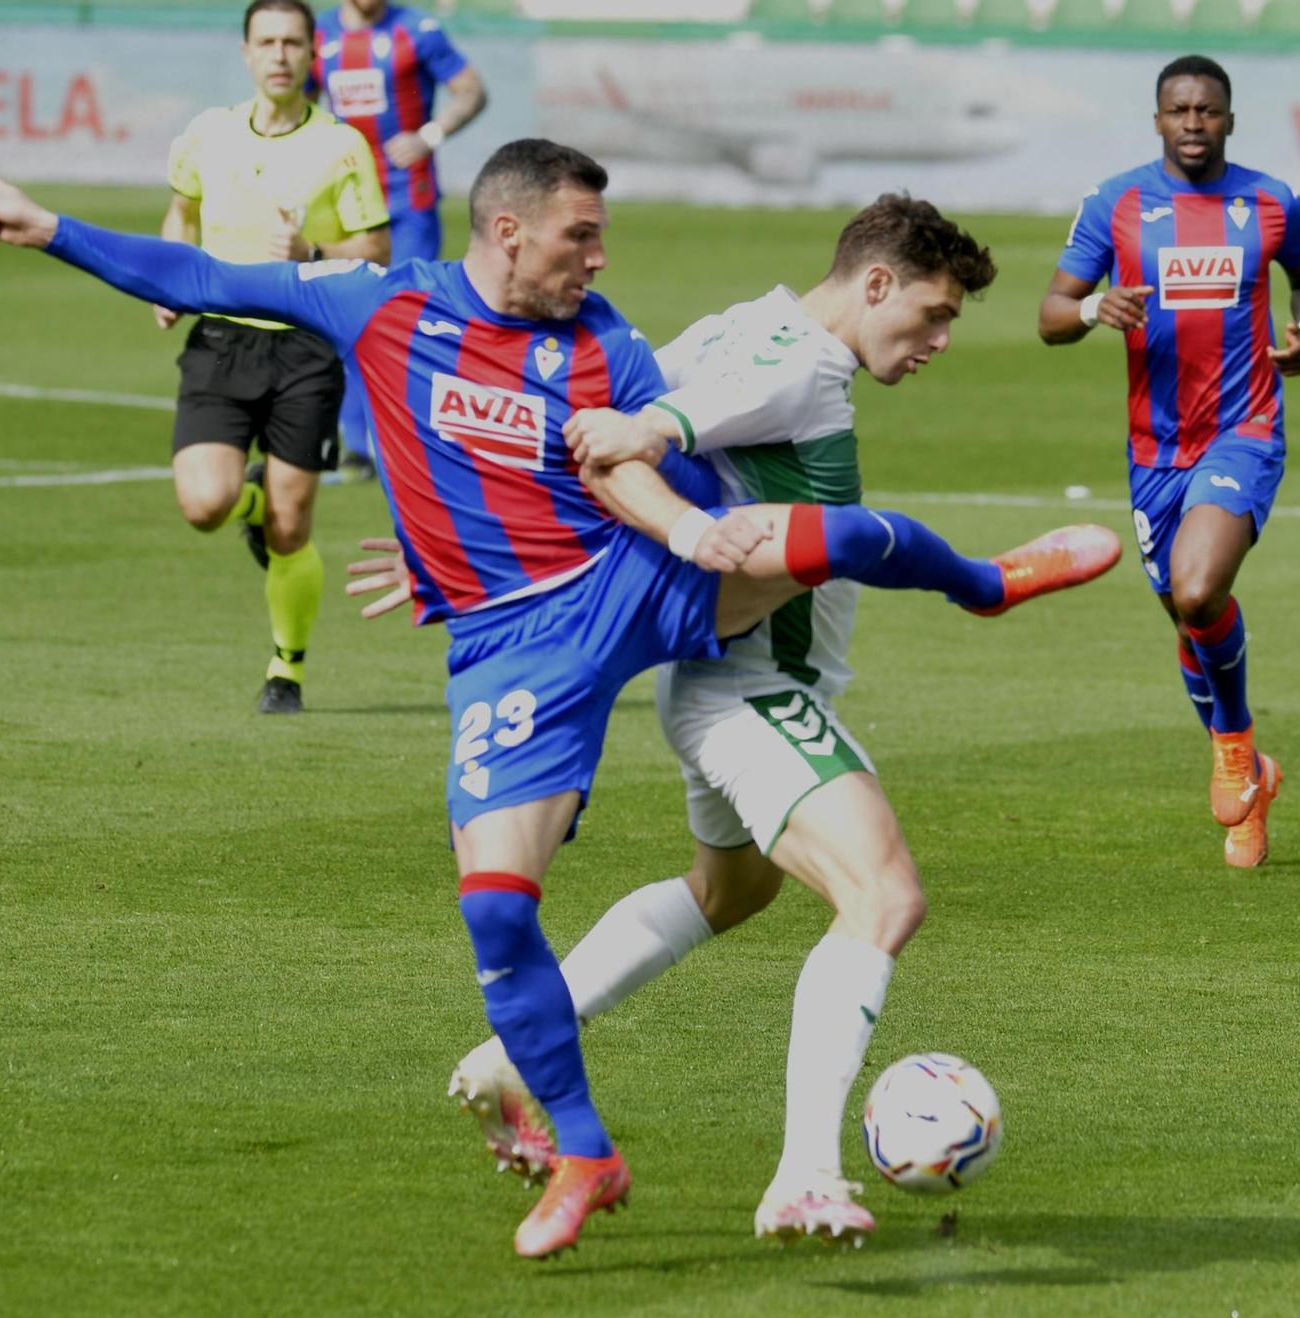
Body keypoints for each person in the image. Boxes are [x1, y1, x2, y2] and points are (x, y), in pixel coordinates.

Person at [0, 139, 1108, 1258]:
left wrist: (637, 508)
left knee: (734, 881)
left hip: (631, 586)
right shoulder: (397, 306)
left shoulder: (619, 336)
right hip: (562, 650)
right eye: (582, 235)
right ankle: (703, 1158)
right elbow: (211, 278)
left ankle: (542, 1058)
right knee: (536, 904)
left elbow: (630, 441)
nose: (601, 258)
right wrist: (48, 228)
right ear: (507, 230)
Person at [440, 195, 1117, 1247]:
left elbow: (612, 423)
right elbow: (644, 432)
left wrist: (481, 539)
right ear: (876, 282)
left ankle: (506, 1054)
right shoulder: (796, 364)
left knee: (731, 888)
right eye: (932, 315)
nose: (938, 342)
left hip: (712, 676)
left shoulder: (735, 323)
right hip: (751, 688)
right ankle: (802, 1173)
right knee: (882, 895)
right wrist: (662, 462)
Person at [1037, 53, 1300, 868]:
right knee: (1185, 613)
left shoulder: (1271, 202)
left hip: (1244, 428)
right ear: (1159, 119)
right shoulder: (1118, 203)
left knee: (1202, 586)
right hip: (1154, 450)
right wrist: (1094, 306)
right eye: (1180, 110)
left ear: (1230, 119)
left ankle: (1233, 746)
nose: (1195, 123)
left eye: (1209, 110)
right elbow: (1050, 313)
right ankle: (1254, 783)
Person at [154, 0, 391, 713]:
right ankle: (250, 504)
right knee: (204, 504)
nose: (280, 54)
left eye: (293, 42)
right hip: (221, 340)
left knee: (294, 528)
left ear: (312, 52)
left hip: (305, 344)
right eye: (267, 42)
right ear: (247, 53)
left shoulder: (343, 146)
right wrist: (169, 275)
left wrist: (311, 253)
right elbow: (181, 211)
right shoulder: (207, 135)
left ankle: (286, 669)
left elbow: (376, 250)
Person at [312, 0, 487, 478]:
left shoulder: (417, 30)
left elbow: (471, 91)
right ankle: (355, 445)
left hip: (410, 201)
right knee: (351, 311)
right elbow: (301, 108)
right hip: (345, 202)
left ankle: (416, 442)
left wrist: (428, 136)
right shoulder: (318, 34)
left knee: (405, 317)